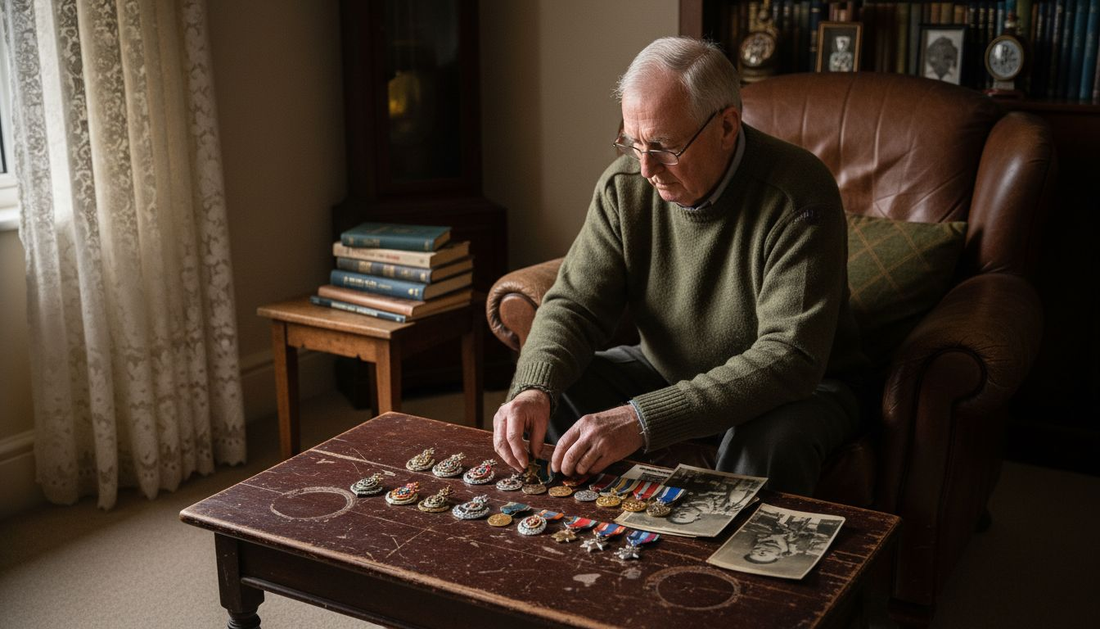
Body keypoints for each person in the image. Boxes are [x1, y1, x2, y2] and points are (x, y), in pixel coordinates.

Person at [492, 36, 866, 495]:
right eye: (633, 143)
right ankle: (576, 542)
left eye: (665, 147)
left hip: (799, 391)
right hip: (667, 369)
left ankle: (726, 569)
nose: (646, 168)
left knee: (766, 443)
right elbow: (575, 305)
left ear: (727, 126)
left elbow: (790, 358)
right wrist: (533, 388)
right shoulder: (624, 187)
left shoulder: (798, 193)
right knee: (559, 388)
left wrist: (642, 419)